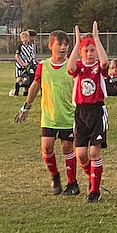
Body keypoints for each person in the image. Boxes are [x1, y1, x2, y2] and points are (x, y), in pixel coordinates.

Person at [14, 30, 82, 196]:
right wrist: (26, 106)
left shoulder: (72, 66)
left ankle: (72, 183)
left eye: (66, 45)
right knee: (46, 146)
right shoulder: (43, 66)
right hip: (49, 116)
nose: (63, 48)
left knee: (67, 147)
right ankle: (55, 176)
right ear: (50, 45)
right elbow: (35, 86)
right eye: (59, 44)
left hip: (68, 115)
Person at [67, 22, 109, 203]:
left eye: (92, 50)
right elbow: (70, 67)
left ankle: (94, 191)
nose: (90, 54)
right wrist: (77, 43)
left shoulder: (98, 67)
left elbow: (106, 61)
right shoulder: (79, 68)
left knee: (93, 152)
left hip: (97, 111)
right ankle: (93, 179)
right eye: (86, 51)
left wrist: (97, 39)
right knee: (81, 155)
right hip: (81, 112)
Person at [13, 31, 36, 96]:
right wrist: (22, 63)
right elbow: (16, 56)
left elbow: (32, 56)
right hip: (20, 66)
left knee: (27, 79)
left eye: (26, 37)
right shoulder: (20, 47)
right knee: (19, 78)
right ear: (21, 39)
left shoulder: (30, 47)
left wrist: (31, 61)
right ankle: (16, 92)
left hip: (27, 65)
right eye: (23, 37)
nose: (25, 39)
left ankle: (25, 93)